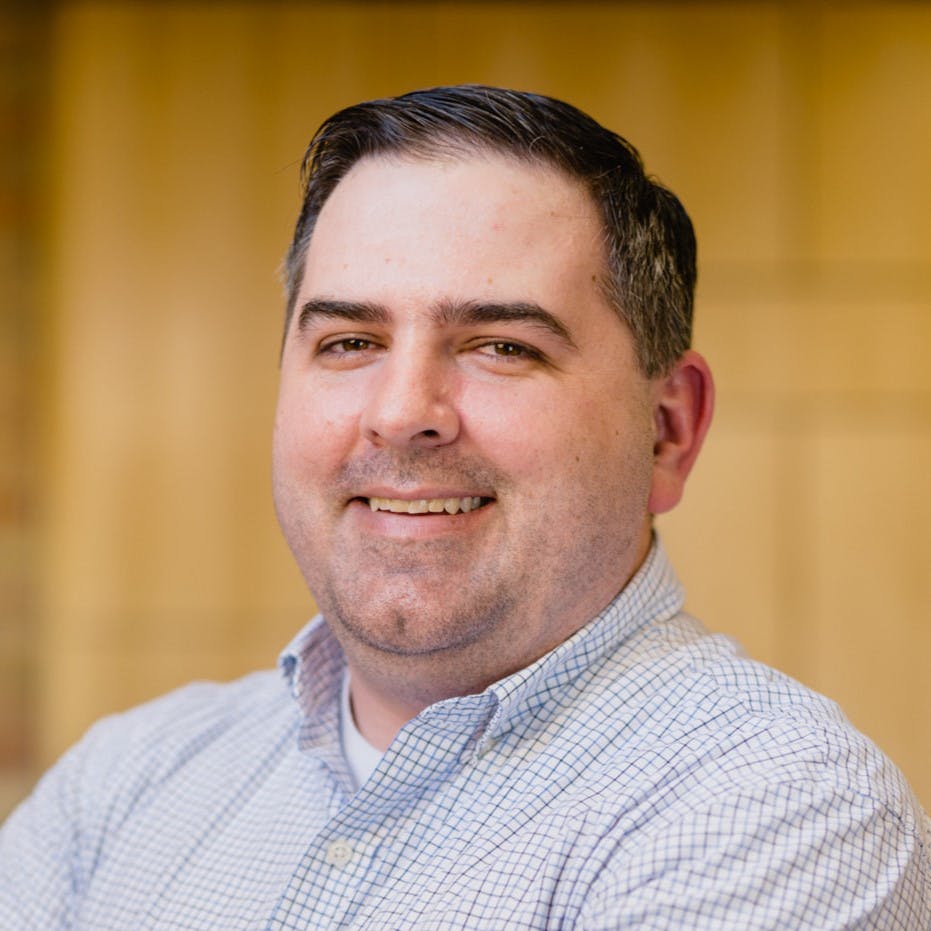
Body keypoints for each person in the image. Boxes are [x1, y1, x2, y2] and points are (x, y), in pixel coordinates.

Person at [1, 85, 928, 929]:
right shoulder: (122, 782)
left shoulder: (783, 809)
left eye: (501, 346)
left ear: (666, 430)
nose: (401, 411)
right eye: (349, 340)